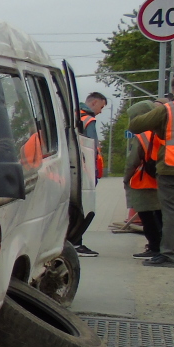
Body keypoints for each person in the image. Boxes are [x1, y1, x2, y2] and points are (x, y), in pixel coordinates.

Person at [129, 75, 174, 267]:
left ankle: (169, 255)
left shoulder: (168, 109)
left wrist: (159, 129)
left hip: (170, 168)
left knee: (171, 214)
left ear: (173, 90)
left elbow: (135, 126)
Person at [123, 98, 163, 258]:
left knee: (147, 217)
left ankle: (155, 247)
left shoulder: (142, 136)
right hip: (163, 180)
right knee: (163, 216)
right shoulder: (163, 131)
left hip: (144, 182)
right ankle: (171, 247)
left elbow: (132, 162)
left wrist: (126, 179)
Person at [72, 91, 107, 256]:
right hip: (85, 171)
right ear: (94, 103)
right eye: (101, 106)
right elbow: (91, 148)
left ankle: (72, 241)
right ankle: (76, 243)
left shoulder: (72, 116)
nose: (101, 111)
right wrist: (93, 172)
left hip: (73, 169)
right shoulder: (89, 120)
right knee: (85, 209)